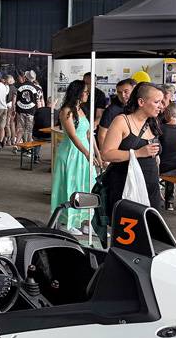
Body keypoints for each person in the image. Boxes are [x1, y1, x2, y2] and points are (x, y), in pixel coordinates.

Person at [101, 82, 165, 215]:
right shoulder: (122, 121)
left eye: (161, 102)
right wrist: (137, 153)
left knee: (150, 229)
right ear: (141, 102)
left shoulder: (153, 122)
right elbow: (106, 154)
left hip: (150, 185)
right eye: (157, 102)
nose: (161, 106)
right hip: (125, 185)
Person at [50, 80, 97, 235]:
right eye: (85, 91)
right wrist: (87, 152)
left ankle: (84, 220)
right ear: (77, 92)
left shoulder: (81, 110)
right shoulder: (66, 111)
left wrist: (97, 153)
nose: (87, 94)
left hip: (84, 152)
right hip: (72, 153)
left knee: (86, 185)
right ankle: (67, 221)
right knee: (70, 186)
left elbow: (89, 134)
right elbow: (72, 135)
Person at [97, 78, 136, 149]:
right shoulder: (111, 110)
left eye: (126, 91)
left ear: (134, 90)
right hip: (116, 153)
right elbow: (102, 135)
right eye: (119, 92)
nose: (123, 95)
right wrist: (105, 156)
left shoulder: (138, 107)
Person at [15, 70, 44, 143]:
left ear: (25, 77)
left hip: (21, 110)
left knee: (21, 128)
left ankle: (19, 144)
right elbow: (38, 101)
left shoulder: (19, 86)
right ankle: (28, 148)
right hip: (31, 111)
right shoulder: (37, 88)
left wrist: (16, 110)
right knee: (29, 130)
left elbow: (17, 100)